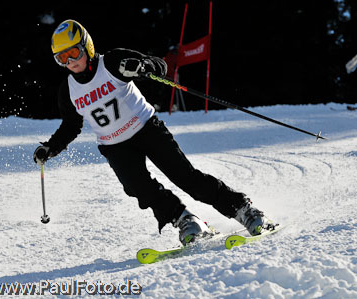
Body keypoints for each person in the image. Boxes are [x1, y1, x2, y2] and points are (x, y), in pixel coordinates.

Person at [33, 20, 276, 245]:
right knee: (139, 188)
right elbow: (71, 125)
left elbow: (158, 65)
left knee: (186, 177)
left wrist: (142, 66)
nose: (70, 62)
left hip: (146, 129)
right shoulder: (68, 90)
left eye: (73, 53)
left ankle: (244, 210)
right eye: (61, 58)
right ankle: (186, 220)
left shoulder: (112, 62)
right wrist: (51, 147)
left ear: (87, 46)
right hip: (114, 145)